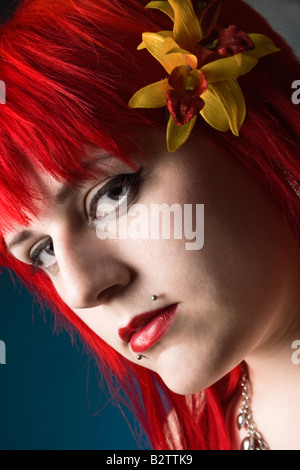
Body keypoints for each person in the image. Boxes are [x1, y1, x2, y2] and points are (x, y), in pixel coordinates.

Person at [0, 0, 299, 450]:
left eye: (111, 195)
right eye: (43, 252)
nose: (81, 291)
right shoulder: (184, 441)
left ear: (259, 126)